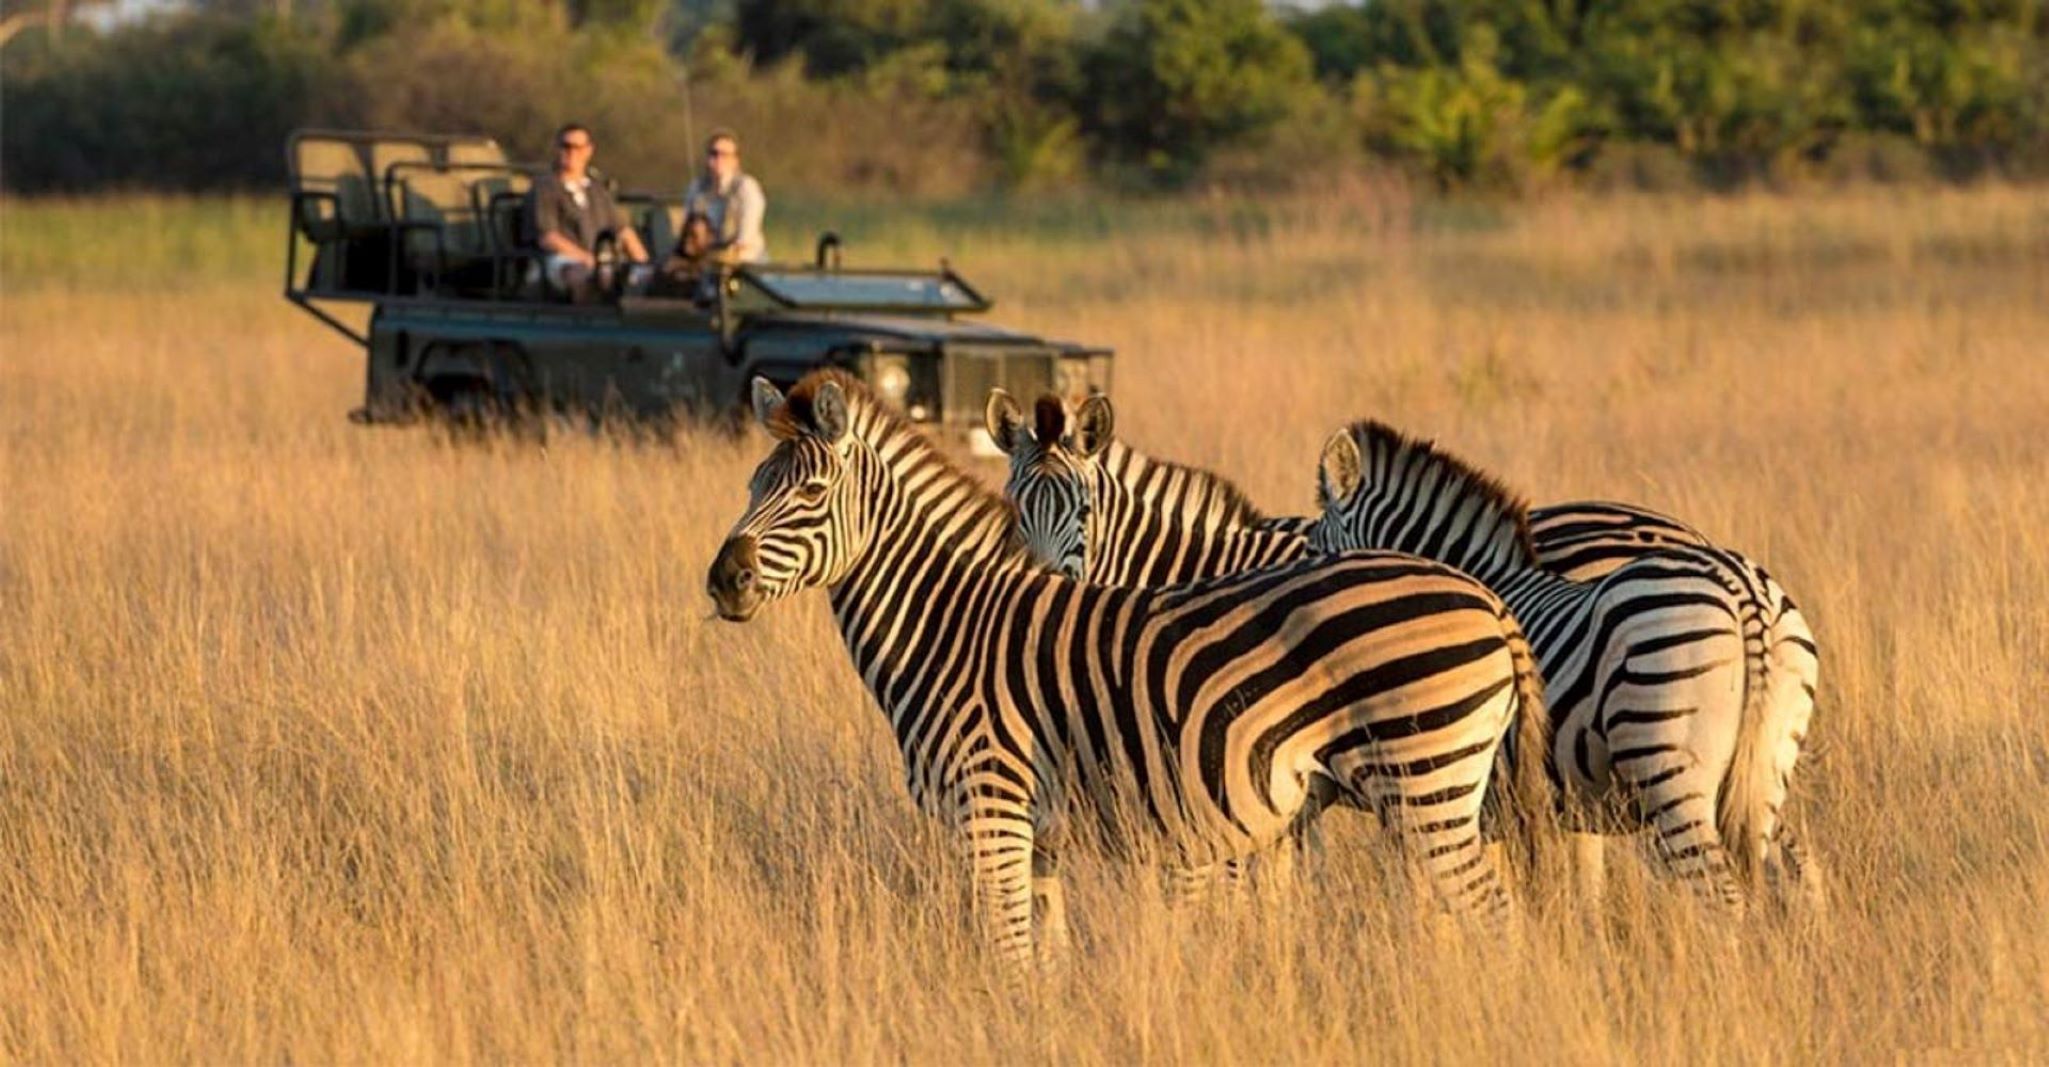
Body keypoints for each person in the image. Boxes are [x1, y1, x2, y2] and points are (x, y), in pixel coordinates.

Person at [526, 122, 649, 297]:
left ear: (588, 151)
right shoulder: (544, 188)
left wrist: (644, 264)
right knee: (584, 275)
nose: (571, 152)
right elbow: (548, 238)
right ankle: (587, 318)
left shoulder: (597, 189)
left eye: (578, 147)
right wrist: (588, 259)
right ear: (557, 149)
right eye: (565, 146)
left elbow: (623, 230)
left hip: (600, 258)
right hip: (558, 260)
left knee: (640, 276)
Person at [682, 130, 768, 265]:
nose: (719, 159)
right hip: (707, 263)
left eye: (725, 155)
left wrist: (727, 253)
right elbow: (689, 230)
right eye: (714, 154)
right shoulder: (697, 188)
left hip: (746, 264)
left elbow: (746, 237)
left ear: (735, 160)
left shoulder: (746, 188)